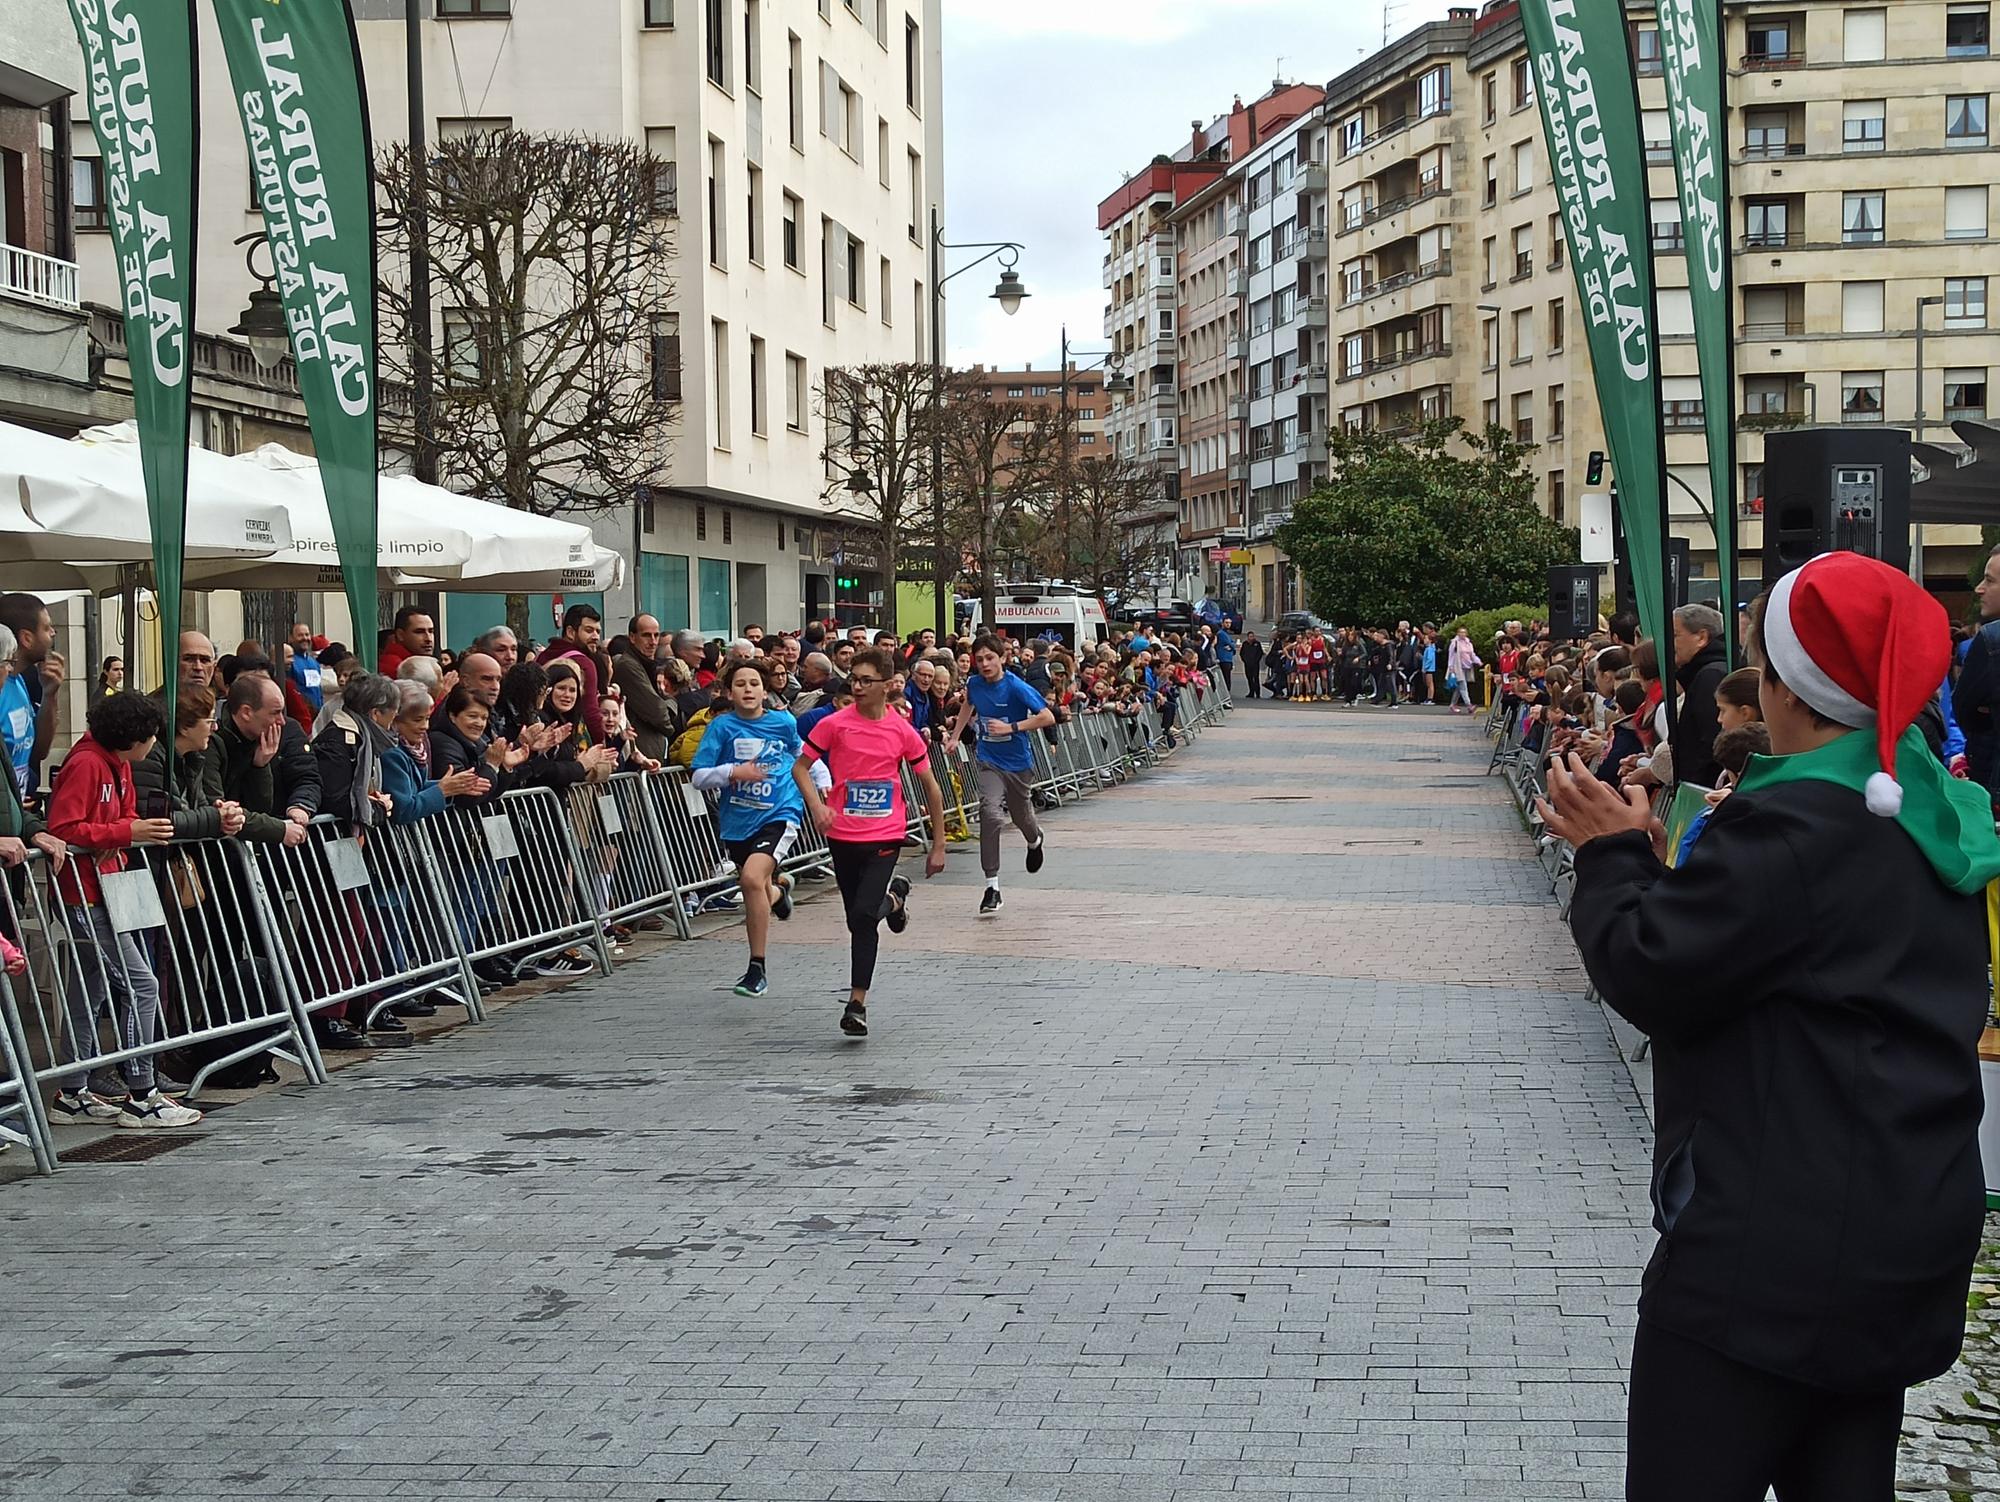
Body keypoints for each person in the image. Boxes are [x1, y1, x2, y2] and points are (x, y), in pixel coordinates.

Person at [1542, 552, 2000, 1502]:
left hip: (1767, 1252)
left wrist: (1612, 853)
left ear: (1789, 687)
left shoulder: (1795, 828)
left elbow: (1653, 966)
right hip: (1896, 1237)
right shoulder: (1931, 814)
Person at [44, 692, 202, 1129]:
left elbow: (123, 814)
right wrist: (125, 830)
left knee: (89, 991)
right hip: (86, 894)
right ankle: (141, 1092)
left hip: (109, 888)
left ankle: (73, 1090)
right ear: (133, 737)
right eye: (150, 735)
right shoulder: (88, 764)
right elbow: (65, 827)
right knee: (141, 985)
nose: (154, 742)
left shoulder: (117, 764)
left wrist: (129, 830)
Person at [794, 648, 947, 1038]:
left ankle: (857, 1003)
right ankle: (895, 898)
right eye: (853, 680)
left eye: (865, 681)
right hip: (843, 834)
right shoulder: (835, 724)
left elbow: (931, 787)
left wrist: (939, 844)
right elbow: (801, 767)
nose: (857, 687)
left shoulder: (901, 730)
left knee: (864, 915)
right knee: (856, 919)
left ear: (887, 684)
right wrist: (817, 805)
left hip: (885, 833)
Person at [690, 659, 806, 998]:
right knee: (758, 887)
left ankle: (757, 969)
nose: (748, 689)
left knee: (751, 879)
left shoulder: (783, 723)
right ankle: (779, 892)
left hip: (780, 812)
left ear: (765, 690)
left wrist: (822, 787)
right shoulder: (721, 728)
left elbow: (803, 758)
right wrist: (732, 773)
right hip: (738, 821)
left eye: (754, 683)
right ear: (729, 691)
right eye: (740, 684)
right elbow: (698, 776)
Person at [945, 634, 1054, 918]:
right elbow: (969, 704)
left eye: (989, 658)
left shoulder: (1016, 686)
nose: (984, 664)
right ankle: (992, 886)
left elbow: (1047, 717)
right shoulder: (974, 684)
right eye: (979, 660)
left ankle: (1035, 840)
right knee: (991, 815)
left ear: (1002, 658)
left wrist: (1011, 728)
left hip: (1018, 764)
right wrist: (955, 737)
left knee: (1021, 818)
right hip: (988, 760)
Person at [0, 592, 60, 803]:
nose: (52, 633)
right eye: (46, 627)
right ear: (26, 638)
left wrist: (50, 694)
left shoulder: (20, 681)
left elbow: (38, 752)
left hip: (20, 816)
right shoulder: (3, 689)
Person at [1668, 604, 1730, 790]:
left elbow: (1712, 742)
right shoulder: (1708, 671)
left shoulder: (1710, 676)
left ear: (1701, 637)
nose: (1668, 643)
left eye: (1675, 635)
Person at [537, 603, 610, 740]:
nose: (595, 637)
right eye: (589, 630)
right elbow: (590, 712)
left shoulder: (541, 656)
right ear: (570, 632)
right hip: (571, 740)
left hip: (541, 735)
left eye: (598, 631)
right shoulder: (585, 664)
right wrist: (603, 745)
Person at [611, 614, 674, 762]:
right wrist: (672, 702)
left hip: (650, 753)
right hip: (639, 755)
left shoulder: (647, 665)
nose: (653, 642)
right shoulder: (628, 666)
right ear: (632, 637)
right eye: (646, 635)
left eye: (656, 635)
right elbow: (658, 712)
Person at [376, 606, 436, 679]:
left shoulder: (417, 663)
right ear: (400, 635)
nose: (428, 638)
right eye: (419, 632)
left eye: (431, 631)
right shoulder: (396, 668)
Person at [1445, 628, 1481, 714]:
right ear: (1457, 633)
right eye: (1461, 632)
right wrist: (1451, 667)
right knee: (1463, 686)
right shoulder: (1455, 643)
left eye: (1464, 632)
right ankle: (1469, 705)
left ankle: (1452, 704)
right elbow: (1451, 655)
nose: (1462, 634)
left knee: (1459, 688)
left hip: (1467, 667)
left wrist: (1478, 661)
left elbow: (1472, 654)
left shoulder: (1468, 643)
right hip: (1457, 667)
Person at [1239, 630, 1264, 699]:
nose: (1251, 638)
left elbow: (1260, 653)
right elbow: (1242, 653)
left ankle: (1258, 693)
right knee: (1249, 678)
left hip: (1255, 664)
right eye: (1250, 636)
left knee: (1255, 678)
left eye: (1252, 636)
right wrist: (1244, 660)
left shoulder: (1257, 644)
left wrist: (1256, 660)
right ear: (1247, 637)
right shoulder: (1245, 644)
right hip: (1247, 664)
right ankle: (1251, 692)